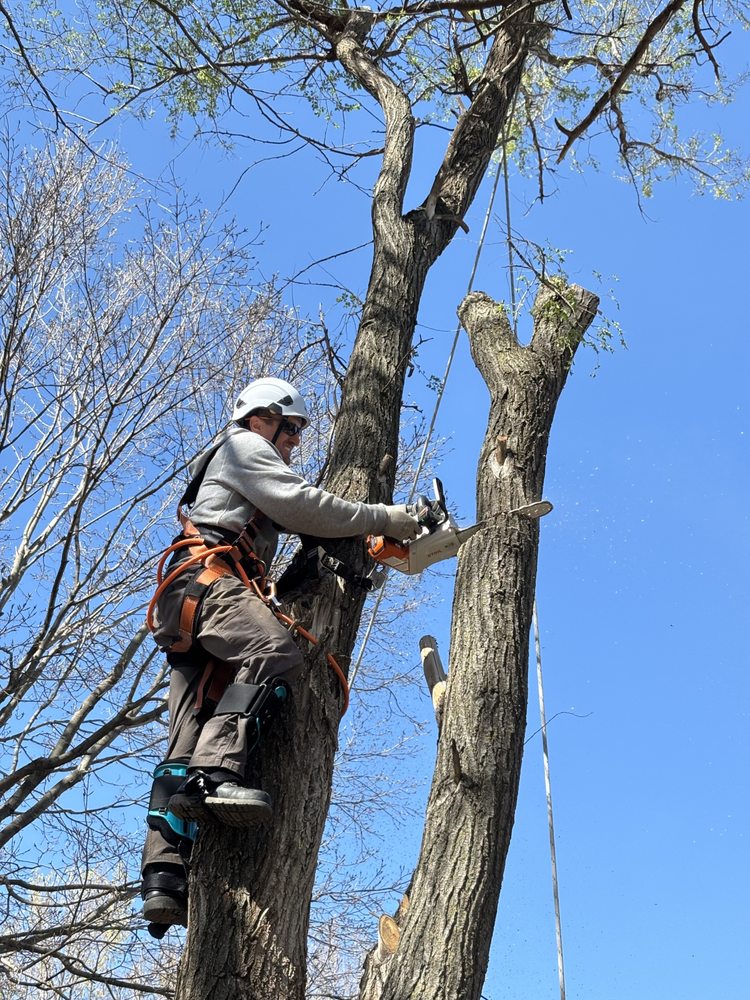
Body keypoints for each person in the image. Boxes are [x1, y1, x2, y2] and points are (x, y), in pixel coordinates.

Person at [140, 377, 419, 936]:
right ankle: (215, 775)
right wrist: (384, 517)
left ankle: (164, 879)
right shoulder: (244, 447)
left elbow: (293, 521)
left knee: (190, 723)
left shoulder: (239, 472)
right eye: (288, 428)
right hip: (206, 583)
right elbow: (304, 505)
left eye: (296, 432)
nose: (293, 441)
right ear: (259, 417)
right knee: (275, 650)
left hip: (189, 598)